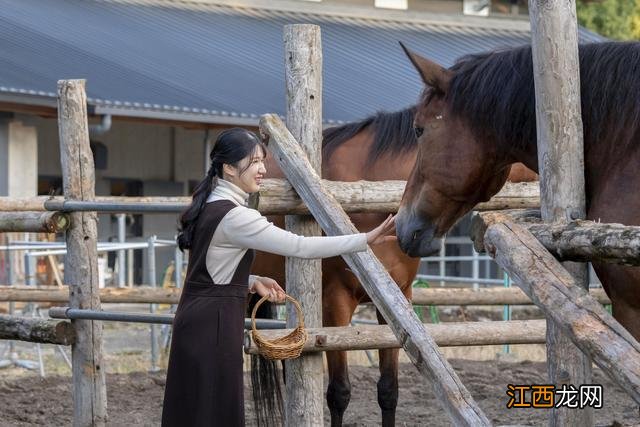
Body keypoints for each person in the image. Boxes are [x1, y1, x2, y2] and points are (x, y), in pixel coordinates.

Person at [161, 128, 396, 427]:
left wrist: (249, 280)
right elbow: (300, 246)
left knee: (195, 411)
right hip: (215, 324)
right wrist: (364, 239)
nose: (262, 169)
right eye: (254, 162)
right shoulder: (236, 216)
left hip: (197, 318)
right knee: (215, 411)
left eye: (262, 160)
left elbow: (208, 273)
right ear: (229, 168)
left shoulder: (210, 205)